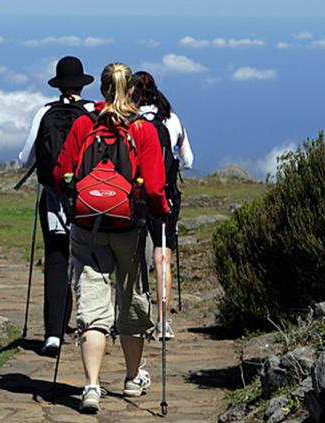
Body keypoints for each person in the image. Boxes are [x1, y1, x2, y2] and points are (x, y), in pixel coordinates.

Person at [53, 62, 170, 413]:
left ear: (101, 89)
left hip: (87, 227)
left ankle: (90, 386)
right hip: (129, 229)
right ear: (132, 90)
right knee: (132, 300)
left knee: (92, 305)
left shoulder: (84, 124)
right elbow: (153, 186)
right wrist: (160, 210)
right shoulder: (144, 130)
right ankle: (133, 378)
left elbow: (62, 173)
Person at [18, 56, 97, 356]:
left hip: (52, 197)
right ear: (82, 83)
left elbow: (25, 158)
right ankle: (90, 327)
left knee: (55, 259)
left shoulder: (44, 112)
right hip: (87, 199)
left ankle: (53, 333)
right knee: (89, 261)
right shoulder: (92, 112)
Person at [131, 71, 194, 341]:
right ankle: (163, 321)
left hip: (133, 196)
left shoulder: (129, 120)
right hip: (165, 196)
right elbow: (188, 159)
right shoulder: (172, 119)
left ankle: (133, 317)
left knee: (131, 257)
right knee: (162, 256)